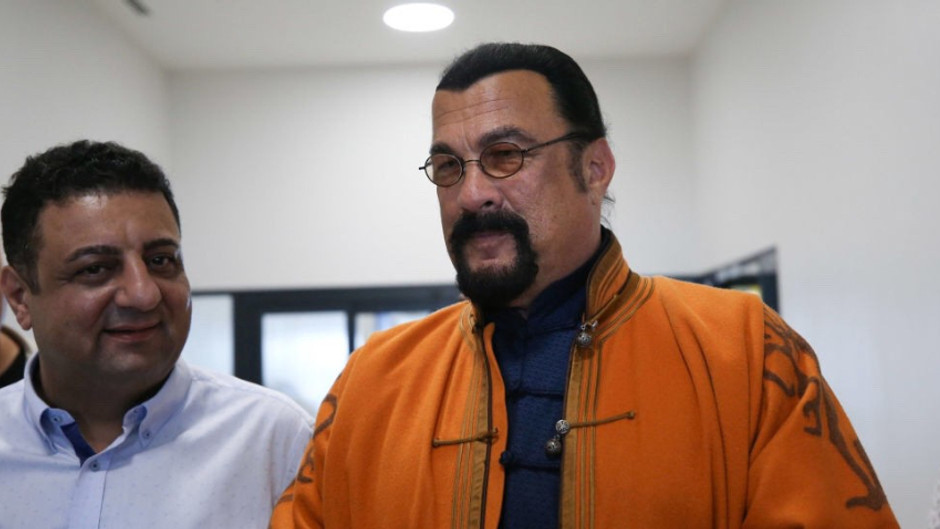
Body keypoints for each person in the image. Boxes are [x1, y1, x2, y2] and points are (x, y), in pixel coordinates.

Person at [270, 43, 898, 528]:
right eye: (447, 166)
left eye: (506, 154)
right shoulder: (372, 382)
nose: (471, 193)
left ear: (594, 168)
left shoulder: (747, 352)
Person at [0, 140, 314, 528]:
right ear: (20, 296)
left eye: (161, 260)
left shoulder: (274, 442)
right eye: (95, 269)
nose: (144, 294)